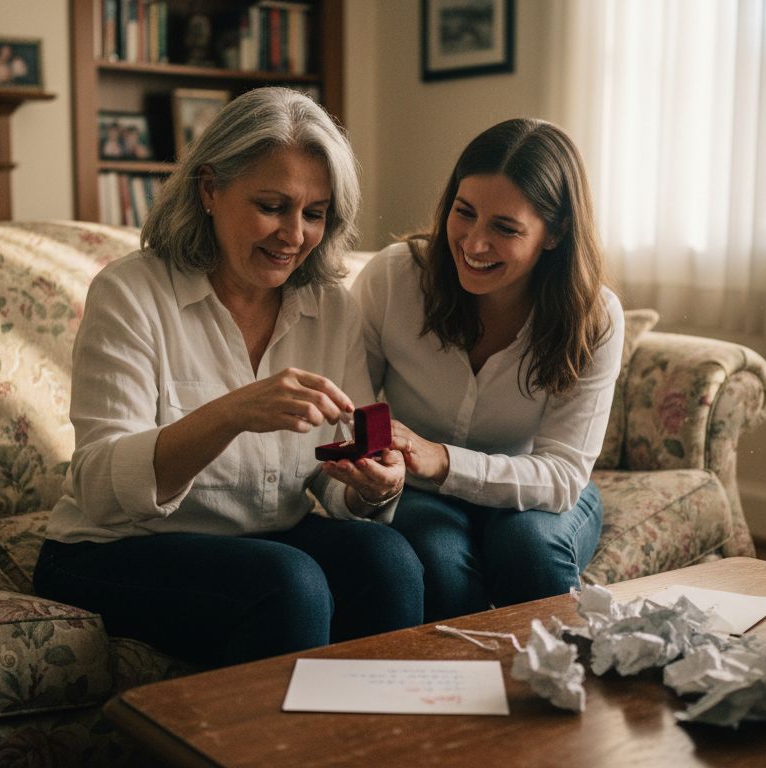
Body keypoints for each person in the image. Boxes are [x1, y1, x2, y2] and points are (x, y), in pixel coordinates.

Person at [33, 87, 423, 667]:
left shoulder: (328, 306)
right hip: (118, 547)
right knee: (288, 582)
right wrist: (232, 412)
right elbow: (98, 488)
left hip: (262, 542)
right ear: (210, 189)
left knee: (389, 559)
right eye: (271, 206)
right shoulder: (130, 293)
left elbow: (334, 475)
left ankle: (375, 745)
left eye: (314, 214)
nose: (294, 235)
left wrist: (372, 485)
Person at [352, 118, 624, 622]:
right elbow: (351, 410)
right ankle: (466, 689)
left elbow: (563, 475)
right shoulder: (394, 280)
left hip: (534, 491)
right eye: (464, 213)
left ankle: (556, 686)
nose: (474, 244)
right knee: (437, 559)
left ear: (555, 232)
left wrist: (445, 461)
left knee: (529, 551)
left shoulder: (595, 316)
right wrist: (376, 468)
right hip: (419, 490)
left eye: (504, 228)